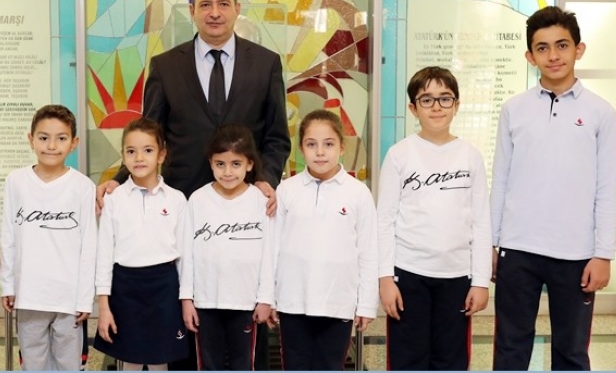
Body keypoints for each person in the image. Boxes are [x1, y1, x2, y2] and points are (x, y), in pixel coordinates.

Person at [97, 0, 291, 370]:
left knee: (244, 329)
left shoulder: (265, 62)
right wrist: (118, 179)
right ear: (192, 11)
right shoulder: (166, 66)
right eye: (205, 5)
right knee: (187, 322)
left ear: (237, 9)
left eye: (223, 4)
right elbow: (149, 133)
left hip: (244, 209)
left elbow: (276, 136)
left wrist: (265, 179)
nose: (214, 13)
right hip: (183, 204)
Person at [491, 5, 616, 370]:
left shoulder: (601, 112)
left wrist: (603, 254)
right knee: (510, 349)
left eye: (562, 45)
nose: (553, 55)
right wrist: (491, 244)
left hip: (575, 253)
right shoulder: (513, 109)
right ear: (530, 56)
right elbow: (501, 178)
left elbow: (608, 186)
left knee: (571, 353)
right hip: (517, 248)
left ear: (579, 49)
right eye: (542, 48)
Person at [377, 66, 492, 370]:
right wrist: (385, 278)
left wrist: (481, 281)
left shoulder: (470, 156)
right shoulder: (399, 155)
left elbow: (482, 222)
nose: (437, 106)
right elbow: (384, 221)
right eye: (426, 100)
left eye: (445, 98)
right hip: (408, 274)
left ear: (457, 104)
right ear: (413, 108)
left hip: (457, 277)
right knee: (407, 359)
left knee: (451, 360)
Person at [272, 109, 378, 370]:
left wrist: (366, 304)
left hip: (338, 303)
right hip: (292, 302)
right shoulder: (286, 190)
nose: (320, 152)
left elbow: (368, 251)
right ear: (301, 149)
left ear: (342, 147)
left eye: (328, 144)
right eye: (311, 144)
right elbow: (273, 249)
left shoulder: (358, 193)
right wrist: (269, 297)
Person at [0, 104, 97, 370]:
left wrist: (85, 297)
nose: (51, 146)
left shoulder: (83, 187)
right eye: (43, 138)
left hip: (68, 297)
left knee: (69, 364)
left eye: (61, 138)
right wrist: (8, 285)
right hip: (29, 293)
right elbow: (8, 236)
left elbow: (89, 246)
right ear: (31, 139)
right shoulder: (16, 181)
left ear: (74, 143)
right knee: (33, 362)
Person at [94, 118, 189, 371]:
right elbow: (104, 255)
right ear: (123, 156)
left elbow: (185, 257)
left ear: (161, 155)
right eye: (131, 151)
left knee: (161, 359)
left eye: (147, 150)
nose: (139, 158)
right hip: (125, 287)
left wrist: (186, 299)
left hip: (164, 288)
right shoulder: (114, 199)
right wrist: (103, 306)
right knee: (130, 360)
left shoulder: (177, 199)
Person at [179, 124, 274, 370]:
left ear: (249, 164)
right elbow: (187, 254)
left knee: (244, 364)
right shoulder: (197, 200)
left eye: (236, 164)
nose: (228, 172)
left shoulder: (260, 202)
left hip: (246, 303)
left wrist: (266, 298)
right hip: (205, 303)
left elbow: (269, 254)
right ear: (211, 163)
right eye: (220, 164)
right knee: (209, 364)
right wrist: (187, 299)